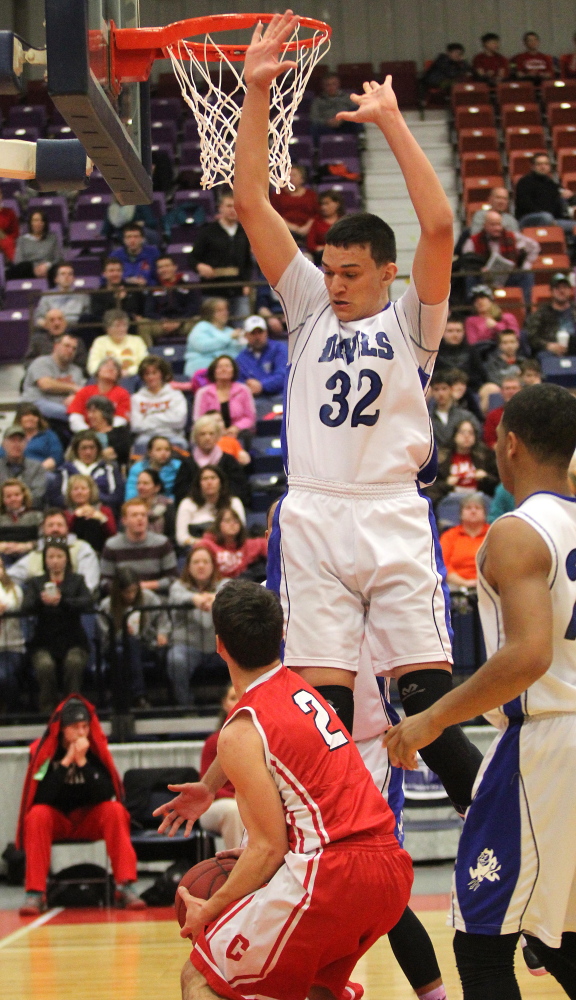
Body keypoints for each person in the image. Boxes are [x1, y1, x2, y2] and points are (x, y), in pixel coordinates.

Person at [232, 12, 482, 815]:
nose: (333, 283)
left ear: (385, 272)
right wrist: (258, 88)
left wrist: (393, 124)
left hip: (389, 515)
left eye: (350, 272)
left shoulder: (413, 320)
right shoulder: (306, 307)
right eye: (328, 269)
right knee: (325, 717)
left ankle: (497, 836)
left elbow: (441, 225)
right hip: (314, 513)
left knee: (427, 710)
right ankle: (337, 847)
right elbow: (250, 202)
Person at [385, 382, 576, 998]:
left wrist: (430, 720)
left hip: (549, 744)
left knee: (481, 941)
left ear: (511, 445)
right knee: (560, 934)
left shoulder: (518, 532)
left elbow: (527, 655)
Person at [160, 579, 412, 1000]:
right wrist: (209, 785)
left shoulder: (240, 730)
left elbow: (266, 849)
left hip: (332, 876)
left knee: (202, 977)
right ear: (281, 635)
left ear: (220, 645)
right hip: (389, 871)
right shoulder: (302, 688)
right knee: (314, 990)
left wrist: (213, 907)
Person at [16, 695, 144, 916]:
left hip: (88, 819)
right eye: (75, 727)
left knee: (115, 811)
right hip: (58, 819)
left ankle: (125, 886)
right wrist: (66, 762)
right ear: (62, 729)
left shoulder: (95, 751)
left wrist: (83, 762)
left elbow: (107, 793)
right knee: (36, 815)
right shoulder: (45, 753)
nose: (82, 732)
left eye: (85, 726)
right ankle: (35, 893)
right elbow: (42, 795)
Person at [22, 539, 93, 713]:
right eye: (51, 556)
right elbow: (26, 606)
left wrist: (63, 602)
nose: (55, 560)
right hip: (44, 642)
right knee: (45, 666)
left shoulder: (77, 580)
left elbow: (87, 602)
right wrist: (41, 600)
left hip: (74, 641)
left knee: (74, 662)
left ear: (66, 559)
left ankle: (72, 709)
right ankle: (48, 711)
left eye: (59, 556)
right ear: (45, 560)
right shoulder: (36, 583)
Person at [99, 567, 169, 709]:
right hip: (114, 647)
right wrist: (121, 633)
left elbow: (163, 620)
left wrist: (162, 633)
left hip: (145, 644)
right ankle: (139, 695)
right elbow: (104, 636)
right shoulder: (106, 606)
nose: (131, 596)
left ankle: (120, 697)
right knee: (123, 647)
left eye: (134, 591)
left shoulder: (149, 598)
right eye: (126, 592)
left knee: (131, 645)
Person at [167, 545, 227, 706]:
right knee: (176, 660)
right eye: (196, 562)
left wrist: (214, 598)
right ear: (188, 566)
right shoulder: (178, 586)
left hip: (220, 647)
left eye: (205, 562)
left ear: (213, 566)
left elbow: (229, 593)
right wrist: (195, 599)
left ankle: (236, 704)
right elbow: (177, 597)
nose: (201, 566)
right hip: (187, 646)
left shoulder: (225, 584)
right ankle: (185, 705)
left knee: (242, 655)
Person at [189, 190, 253, 320]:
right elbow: (192, 258)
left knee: (242, 325)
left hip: (237, 289)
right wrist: (200, 266)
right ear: (220, 208)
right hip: (213, 289)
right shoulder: (207, 232)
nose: (232, 210)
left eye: (236, 207)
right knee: (213, 328)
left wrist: (247, 283)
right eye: (229, 206)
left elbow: (248, 262)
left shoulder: (245, 232)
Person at [8, 507, 100, 593]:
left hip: (75, 604)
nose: (55, 529)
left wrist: (63, 600)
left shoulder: (82, 548)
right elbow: (10, 578)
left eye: (59, 525)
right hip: (41, 605)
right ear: (43, 529)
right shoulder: (36, 554)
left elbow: (89, 583)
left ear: (67, 528)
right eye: (50, 525)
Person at [197, 684, 244, 847]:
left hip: (253, 802)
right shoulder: (213, 743)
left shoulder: (265, 736)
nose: (238, 701)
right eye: (233, 698)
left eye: (242, 696)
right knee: (234, 810)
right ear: (224, 704)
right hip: (218, 804)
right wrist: (237, 798)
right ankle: (239, 868)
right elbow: (207, 787)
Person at [100, 497, 178, 595]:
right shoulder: (112, 546)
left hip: (155, 600)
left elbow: (173, 579)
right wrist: (128, 589)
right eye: (134, 515)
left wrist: (144, 586)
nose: (140, 519)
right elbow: (104, 582)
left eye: (143, 515)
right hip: (122, 599)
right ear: (124, 520)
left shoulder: (162, 543)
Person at [461, 211, 539, 306]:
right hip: (484, 279)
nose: (497, 228)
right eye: (493, 225)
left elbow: (535, 246)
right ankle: (472, 310)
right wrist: (479, 270)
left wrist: (526, 265)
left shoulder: (513, 237)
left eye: (499, 225)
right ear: (485, 225)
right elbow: (466, 259)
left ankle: (526, 308)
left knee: (526, 275)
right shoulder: (473, 241)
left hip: (509, 277)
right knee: (470, 276)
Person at [174, 415, 250, 507]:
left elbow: (240, 489)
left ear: (217, 436)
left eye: (211, 434)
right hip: (197, 507)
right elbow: (181, 492)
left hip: (225, 506)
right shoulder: (188, 464)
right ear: (196, 437)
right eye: (203, 434)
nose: (207, 438)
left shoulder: (228, 461)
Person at [428, 419, 498, 506]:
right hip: (451, 503)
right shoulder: (442, 459)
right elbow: (431, 490)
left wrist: (486, 478)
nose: (466, 436)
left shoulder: (485, 457)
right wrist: (447, 484)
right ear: (454, 436)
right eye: (462, 432)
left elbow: (498, 486)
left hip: (479, 502)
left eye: (470, 433)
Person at [53, 430, 125, 513]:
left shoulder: (109, 469)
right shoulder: (65, 470)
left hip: (102, 512)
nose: (88, 452)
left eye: (92, 447)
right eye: (84, 448)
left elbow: (117, 497)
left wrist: (92, 499)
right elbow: (57, 499)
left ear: (98, 449)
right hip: (71, 513)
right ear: (76, 450)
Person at [22, 332, 86, 423]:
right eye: (67, 346)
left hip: (61, 406)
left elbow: (81, 392)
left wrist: (74, 396)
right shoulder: (41, 362)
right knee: (73, 414)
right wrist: (73, 387)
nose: (70, 350)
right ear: (56, 346)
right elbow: (46, 385)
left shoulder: (76, 370)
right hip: (36, 403)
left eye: (74, 348)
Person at [130, 356, 188, 454]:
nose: (151, 377)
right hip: (146, 438)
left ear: (162, 374)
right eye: (147, 374)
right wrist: (166, 418)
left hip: (173, 436)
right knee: (139, 445)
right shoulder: (136, 398)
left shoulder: (175, 395)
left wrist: (150, 418)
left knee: (180, 444)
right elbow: (136, 426)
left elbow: (179, 421)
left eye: (154, 373)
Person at [176, 466, 245, 547]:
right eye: (205, 479)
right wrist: (206, 544)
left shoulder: (234, 502)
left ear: (221, 482)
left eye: (213, 478)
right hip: (198, 550)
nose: (209, 482)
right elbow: (181, 538)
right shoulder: (187, 504)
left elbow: (241, 532)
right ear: (199, 484)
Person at [192, 355, 256, 440]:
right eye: (219, 367)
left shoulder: (244, 390)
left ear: (233, 371)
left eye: (227, 366)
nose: (224, 369)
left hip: (238, 432)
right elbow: (198, 419)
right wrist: (217, 430)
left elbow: (250, 418)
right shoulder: (203, 393)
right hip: (210, 433)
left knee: (246, 435)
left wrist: (235, 428)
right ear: (213, 371)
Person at [140, 254, 199, 343]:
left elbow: (194, 307)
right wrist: (162, 320)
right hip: (161, 324)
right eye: (160, 267)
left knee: (198, 322)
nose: (164, 270)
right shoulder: (153, 289)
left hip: (183, 323)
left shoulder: (187, 286)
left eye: (167, 266)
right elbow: (148, 311)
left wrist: (180, 321)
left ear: (175, 267)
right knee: (143, 324)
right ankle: (149, 356)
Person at [514, 152, 576, 235]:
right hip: (528, 219)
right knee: (546, 217)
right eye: (539, 164)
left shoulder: (552, 184)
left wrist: (570, 196)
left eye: (546, 164)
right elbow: (525, 205)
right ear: (532, 166)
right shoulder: (524, 182)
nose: (543, 167)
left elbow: (567, 201)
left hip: (553, 220)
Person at [67, 357, 131, 433]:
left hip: (111, 435)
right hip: (85, 433)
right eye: (106, 365)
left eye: (115, 367)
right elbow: (75, 417)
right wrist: (88, 433)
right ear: (98, 371)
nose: (110, 369)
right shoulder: (85, 391)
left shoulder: (123, 394)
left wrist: (106, 432)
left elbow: (121, 420)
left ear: (118, 375)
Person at [202, 507, 267, 580]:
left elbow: (269, 547)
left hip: (240, 585)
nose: (232, 524)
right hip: (214, 585)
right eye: (227, 521)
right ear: (218, 524)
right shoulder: (206, 545)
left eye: (236, 521)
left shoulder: (248, 545)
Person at [184, 297, 243, 377]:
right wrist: (229, 337)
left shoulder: (230, 331)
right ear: (210, 313)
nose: (225, 313)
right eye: (220, 310)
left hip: (225, 375)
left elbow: (236, 353)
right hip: (200, 373)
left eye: (226, 310)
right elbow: (202, 346)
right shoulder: (201, 327)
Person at [440, 493, 489, 588]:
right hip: (455, 586)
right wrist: (464, 583)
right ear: (460, 514)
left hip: (489, 586)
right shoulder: (449, 536)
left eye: (478, 508)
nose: (473, 511)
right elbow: (443, 565)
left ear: (485, 513)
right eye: (468, 508)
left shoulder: (493, 534)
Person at [87, 256, 146, 334]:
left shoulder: (133, 289)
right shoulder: (98, 293)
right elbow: (99, 315)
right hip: (104, 330)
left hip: (131, 329)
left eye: (118, 270)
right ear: (104, 274)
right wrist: (117, 300)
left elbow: (140, 310)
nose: (115, 274)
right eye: (111, 271)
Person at [236, 315, 288, 399]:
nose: (257, 336)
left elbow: (284, 376)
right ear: (246, 335)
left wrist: (261, 385)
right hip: (254, 401)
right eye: (253, 333)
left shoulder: (279, 349)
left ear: (266, 333)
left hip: (280, 397)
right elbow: (239, 384)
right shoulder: (240, 359)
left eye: (260, 332)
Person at [64, 473, 116, 555]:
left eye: (83, 489)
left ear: (91, 491)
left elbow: (112, 534)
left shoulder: (104, 510)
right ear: (70, 493)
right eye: (75, 489)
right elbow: (65, 533)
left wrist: (102, 518)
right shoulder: (65, 514)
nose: (79, 492)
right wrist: (75, 516)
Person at [86, 308, 149, 377]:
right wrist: (109, 373)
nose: (122, 329)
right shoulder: (100, 342)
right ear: (108, 328)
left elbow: (145, 364)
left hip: (131, 377)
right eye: (117, 326)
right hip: (106, 377)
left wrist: (128, 372)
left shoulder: (137, 341)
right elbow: (92, 367)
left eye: (124, 325)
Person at [526, 272, 576, 356]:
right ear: (551, 291)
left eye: (565, 287)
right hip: (550, 351)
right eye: (557, 288)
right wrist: (548, 346)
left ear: (570, 290)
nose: (561, 291)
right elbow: (531, 336)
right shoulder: (541, 313)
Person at [429, 371, 481, 449]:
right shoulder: (427, 418)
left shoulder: (466, 416)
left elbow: (477, 435)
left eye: (444, 388)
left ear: (451, 389)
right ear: (432, 392)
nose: (440, 393)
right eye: (436, 389)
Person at [270, 164, 319, 245]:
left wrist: (306, 228)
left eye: (294, 175)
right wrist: (293, 228)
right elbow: (274, 214)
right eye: (288, 175)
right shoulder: (277, 195)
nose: (290, 178)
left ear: (302, 179)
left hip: (307, 231)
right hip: (283, 230)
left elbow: (316, 214)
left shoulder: (311, 195)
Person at [0, 426, 47, 508]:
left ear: (26, 444)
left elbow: (38, 495)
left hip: (30, 512)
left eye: (20, 440)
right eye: (12, 440)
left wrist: (16, 503)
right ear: (3, 444)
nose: (16, 444)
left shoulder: (36, 467)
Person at [33, 262, 90, 331]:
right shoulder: (47, 296)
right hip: (53, 330)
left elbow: (88, 319)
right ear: (56, 279)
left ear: (73, 278)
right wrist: (47, 325)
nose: (67, 277)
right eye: (63, 274)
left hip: (77, 330)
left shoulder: (83, 296)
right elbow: (39, 318)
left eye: (70, 274)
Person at [435, 316, 487, 391]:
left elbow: (481, 375)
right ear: (443, 333)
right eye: (450, 331)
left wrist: (463, 380)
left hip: (468, 389)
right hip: (441, 389)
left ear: (463, 332)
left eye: (458, 331)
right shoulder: (435, 351)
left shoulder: (472, 351)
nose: (455, 335)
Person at [0, 555, 24, 710]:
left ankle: (10, 711)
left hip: (11, 647)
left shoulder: (14, 590)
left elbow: (11, 604)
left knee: (5, 677)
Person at [8, 403, 63, 470]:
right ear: (19, 419)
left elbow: (56, 457)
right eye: (26, 415)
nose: (30, 418)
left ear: (39, 419)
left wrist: (37, 470)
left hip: (43, 471)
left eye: (34, 415)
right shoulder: (12, 435)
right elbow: (2, 455)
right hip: (15, 472)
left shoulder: (49, 435)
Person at [125, 435, 181, 501]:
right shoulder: (137, 469)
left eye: (167, 449)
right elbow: (130, 495)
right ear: (150, 452)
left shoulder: (178, 467)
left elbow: (180, 493)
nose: (163, 453)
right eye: (158, 449)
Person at [0, 479, 43, 564]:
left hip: (29, 555)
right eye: (8, 496)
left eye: (17, 495)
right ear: (3, 499)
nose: (13, 499)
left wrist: (27, 546)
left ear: (23, 495)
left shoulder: (37, 516)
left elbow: (44, 539)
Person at [9, 209, 61, 280]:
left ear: (44, 223)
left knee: (58, 268)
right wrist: (35, 268)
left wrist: (47, 265)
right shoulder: (22, 240)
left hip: (48, 269)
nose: (38, 223)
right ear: (31, 223)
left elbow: (58, 258)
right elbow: (18, 260)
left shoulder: (52, 238)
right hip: (29, 270)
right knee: (22, 267)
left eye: (41, 221)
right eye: (35, 220)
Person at [309, 72, 360, 142]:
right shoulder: (318, 101)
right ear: (323, 86)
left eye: (333, 84)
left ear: (338, 84)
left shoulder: (347, 97)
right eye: (328, 85)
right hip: (327, 127)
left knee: (356, 115)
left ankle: (360, 141)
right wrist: (327, 122)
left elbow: (355, 111)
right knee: (314, 127)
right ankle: (316, 149)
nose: (331, 87)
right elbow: (314, 117)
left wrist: (342, 119)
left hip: (344, 125)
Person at [85, 396, 131, 468]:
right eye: (89, 411)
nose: (90, 415)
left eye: (94, 412)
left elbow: (120, 451)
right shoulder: (84, 434)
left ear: (105, 413)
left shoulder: (120, 432)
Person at [481, 328, 526, 398]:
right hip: (502, 392)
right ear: (499, 345)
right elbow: (492, 379)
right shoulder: (493, 362)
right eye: (505, 343)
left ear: (518, 344)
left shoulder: (523, 362)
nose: (509, 346)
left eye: (512, 342)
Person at [306, 189, 347, 262]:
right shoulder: (316, 221)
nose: (323, 207)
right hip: (320, 255)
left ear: (337, 204)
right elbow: (310, 244)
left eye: (327, 204)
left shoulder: (345, 222)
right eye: (322, 204)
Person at [482, 374, 522, 448]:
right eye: (507, 388)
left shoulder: (529, 413)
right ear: (502, 392)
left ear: (521, 390)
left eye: (514, 388)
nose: (511, 391)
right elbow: (489, 442)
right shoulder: (493, 415)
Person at [135, 468, 174, 538]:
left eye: (145, 483)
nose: (140, 487)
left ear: (157, 487)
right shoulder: (131, 506)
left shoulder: (168, 506)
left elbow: (172, 536)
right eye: (138, 483)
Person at [0, 189, 19, 262]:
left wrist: (4, 237)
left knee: (8, 242)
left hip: (6, 242)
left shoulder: (9, 213)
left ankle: (15, 265)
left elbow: (15, 233)